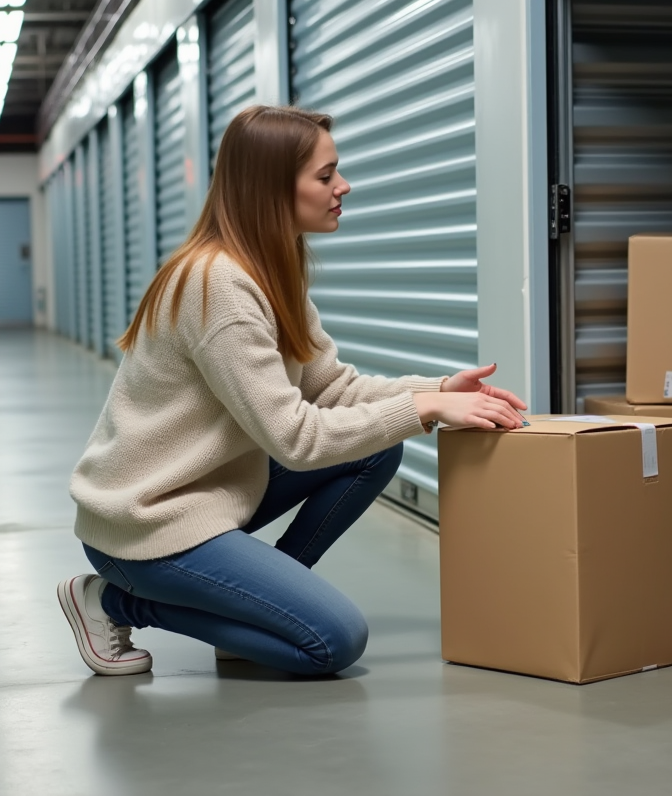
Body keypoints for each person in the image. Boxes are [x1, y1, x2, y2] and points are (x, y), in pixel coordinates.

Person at [57, 105, 527, 677]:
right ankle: (110, 599)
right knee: (332, 642)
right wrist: (423, 407)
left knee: (379, 445)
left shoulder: (269, 267)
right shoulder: (218, 287)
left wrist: (437, 388)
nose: (343, 186)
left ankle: (259, 615)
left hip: (209, 490)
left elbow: (330, 386)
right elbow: (295, 440)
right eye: (325, 176)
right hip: (146, 521)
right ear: (271, 188)